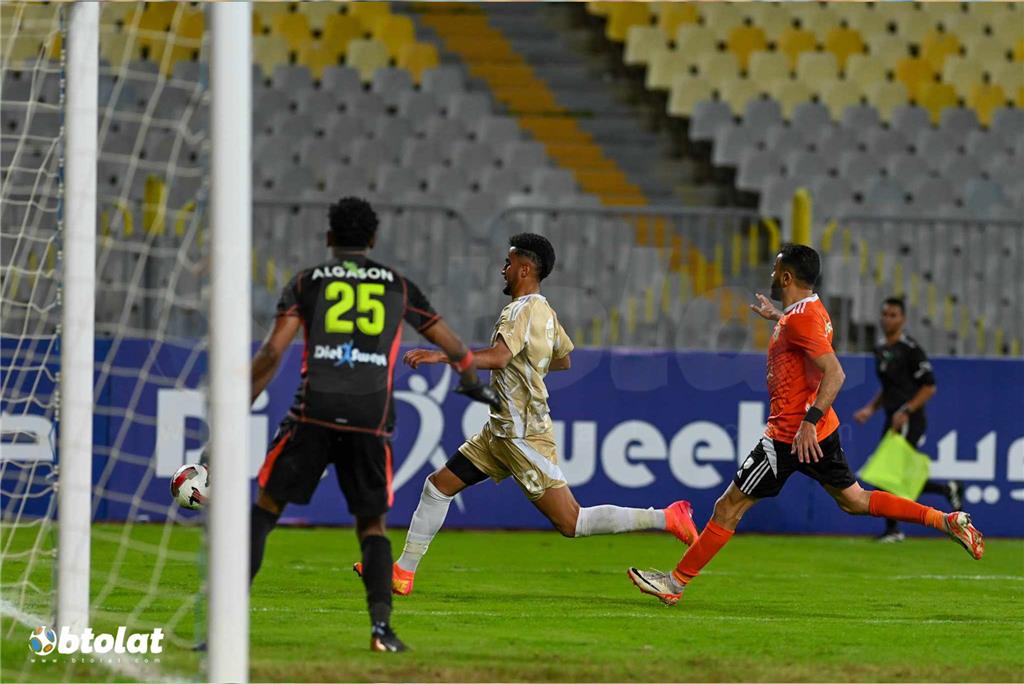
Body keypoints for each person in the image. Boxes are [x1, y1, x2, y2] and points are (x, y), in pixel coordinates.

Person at [627, 244, 984, 606]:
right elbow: (803, 338)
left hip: (790, 434)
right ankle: (944, 520)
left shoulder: (800, 320)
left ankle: (674, 583)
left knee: (728, 507)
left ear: (786, 277)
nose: (771, 275)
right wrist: (778, 318)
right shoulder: (810, 310)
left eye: (775, 270)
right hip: (819, 431)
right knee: (855, 500)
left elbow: (835, 373)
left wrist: (808, 422)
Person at [355, 233, 698, 596]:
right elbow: (563, 357)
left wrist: (442, 355)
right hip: (499, 431)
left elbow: (499, 357)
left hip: (521, 434)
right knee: (439, 485)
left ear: (524, 268)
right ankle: (403, 572)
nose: (503, 269)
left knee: (571, 522)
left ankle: (666, 517)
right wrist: (530, 369)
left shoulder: (519, 311)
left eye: (508, 263)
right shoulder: (545, 311)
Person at [247, 197, 499, 652]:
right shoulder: (397, 285)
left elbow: (271, 352)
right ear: (373, 239)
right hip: (370, 418)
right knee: (371, 527)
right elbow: (454, 346)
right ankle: (382, 630)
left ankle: (224, 622)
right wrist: (468, 381)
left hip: (313, 411)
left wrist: (239, 399)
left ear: (329, 238)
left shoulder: (307, 281)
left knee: (266, 510)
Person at [854, 297, 962, 543]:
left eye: (893, 315)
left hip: (909, 420)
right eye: (885, 314)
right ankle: (946, 489)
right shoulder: (881, 349)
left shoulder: (911, 349)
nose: (887, 319)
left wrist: (906, 410)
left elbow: (929, 386)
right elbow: (888, 388)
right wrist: (870, 409)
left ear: (902, 319)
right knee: (895, 475)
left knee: (887, 473)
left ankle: (894, 529)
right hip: (892, 418)